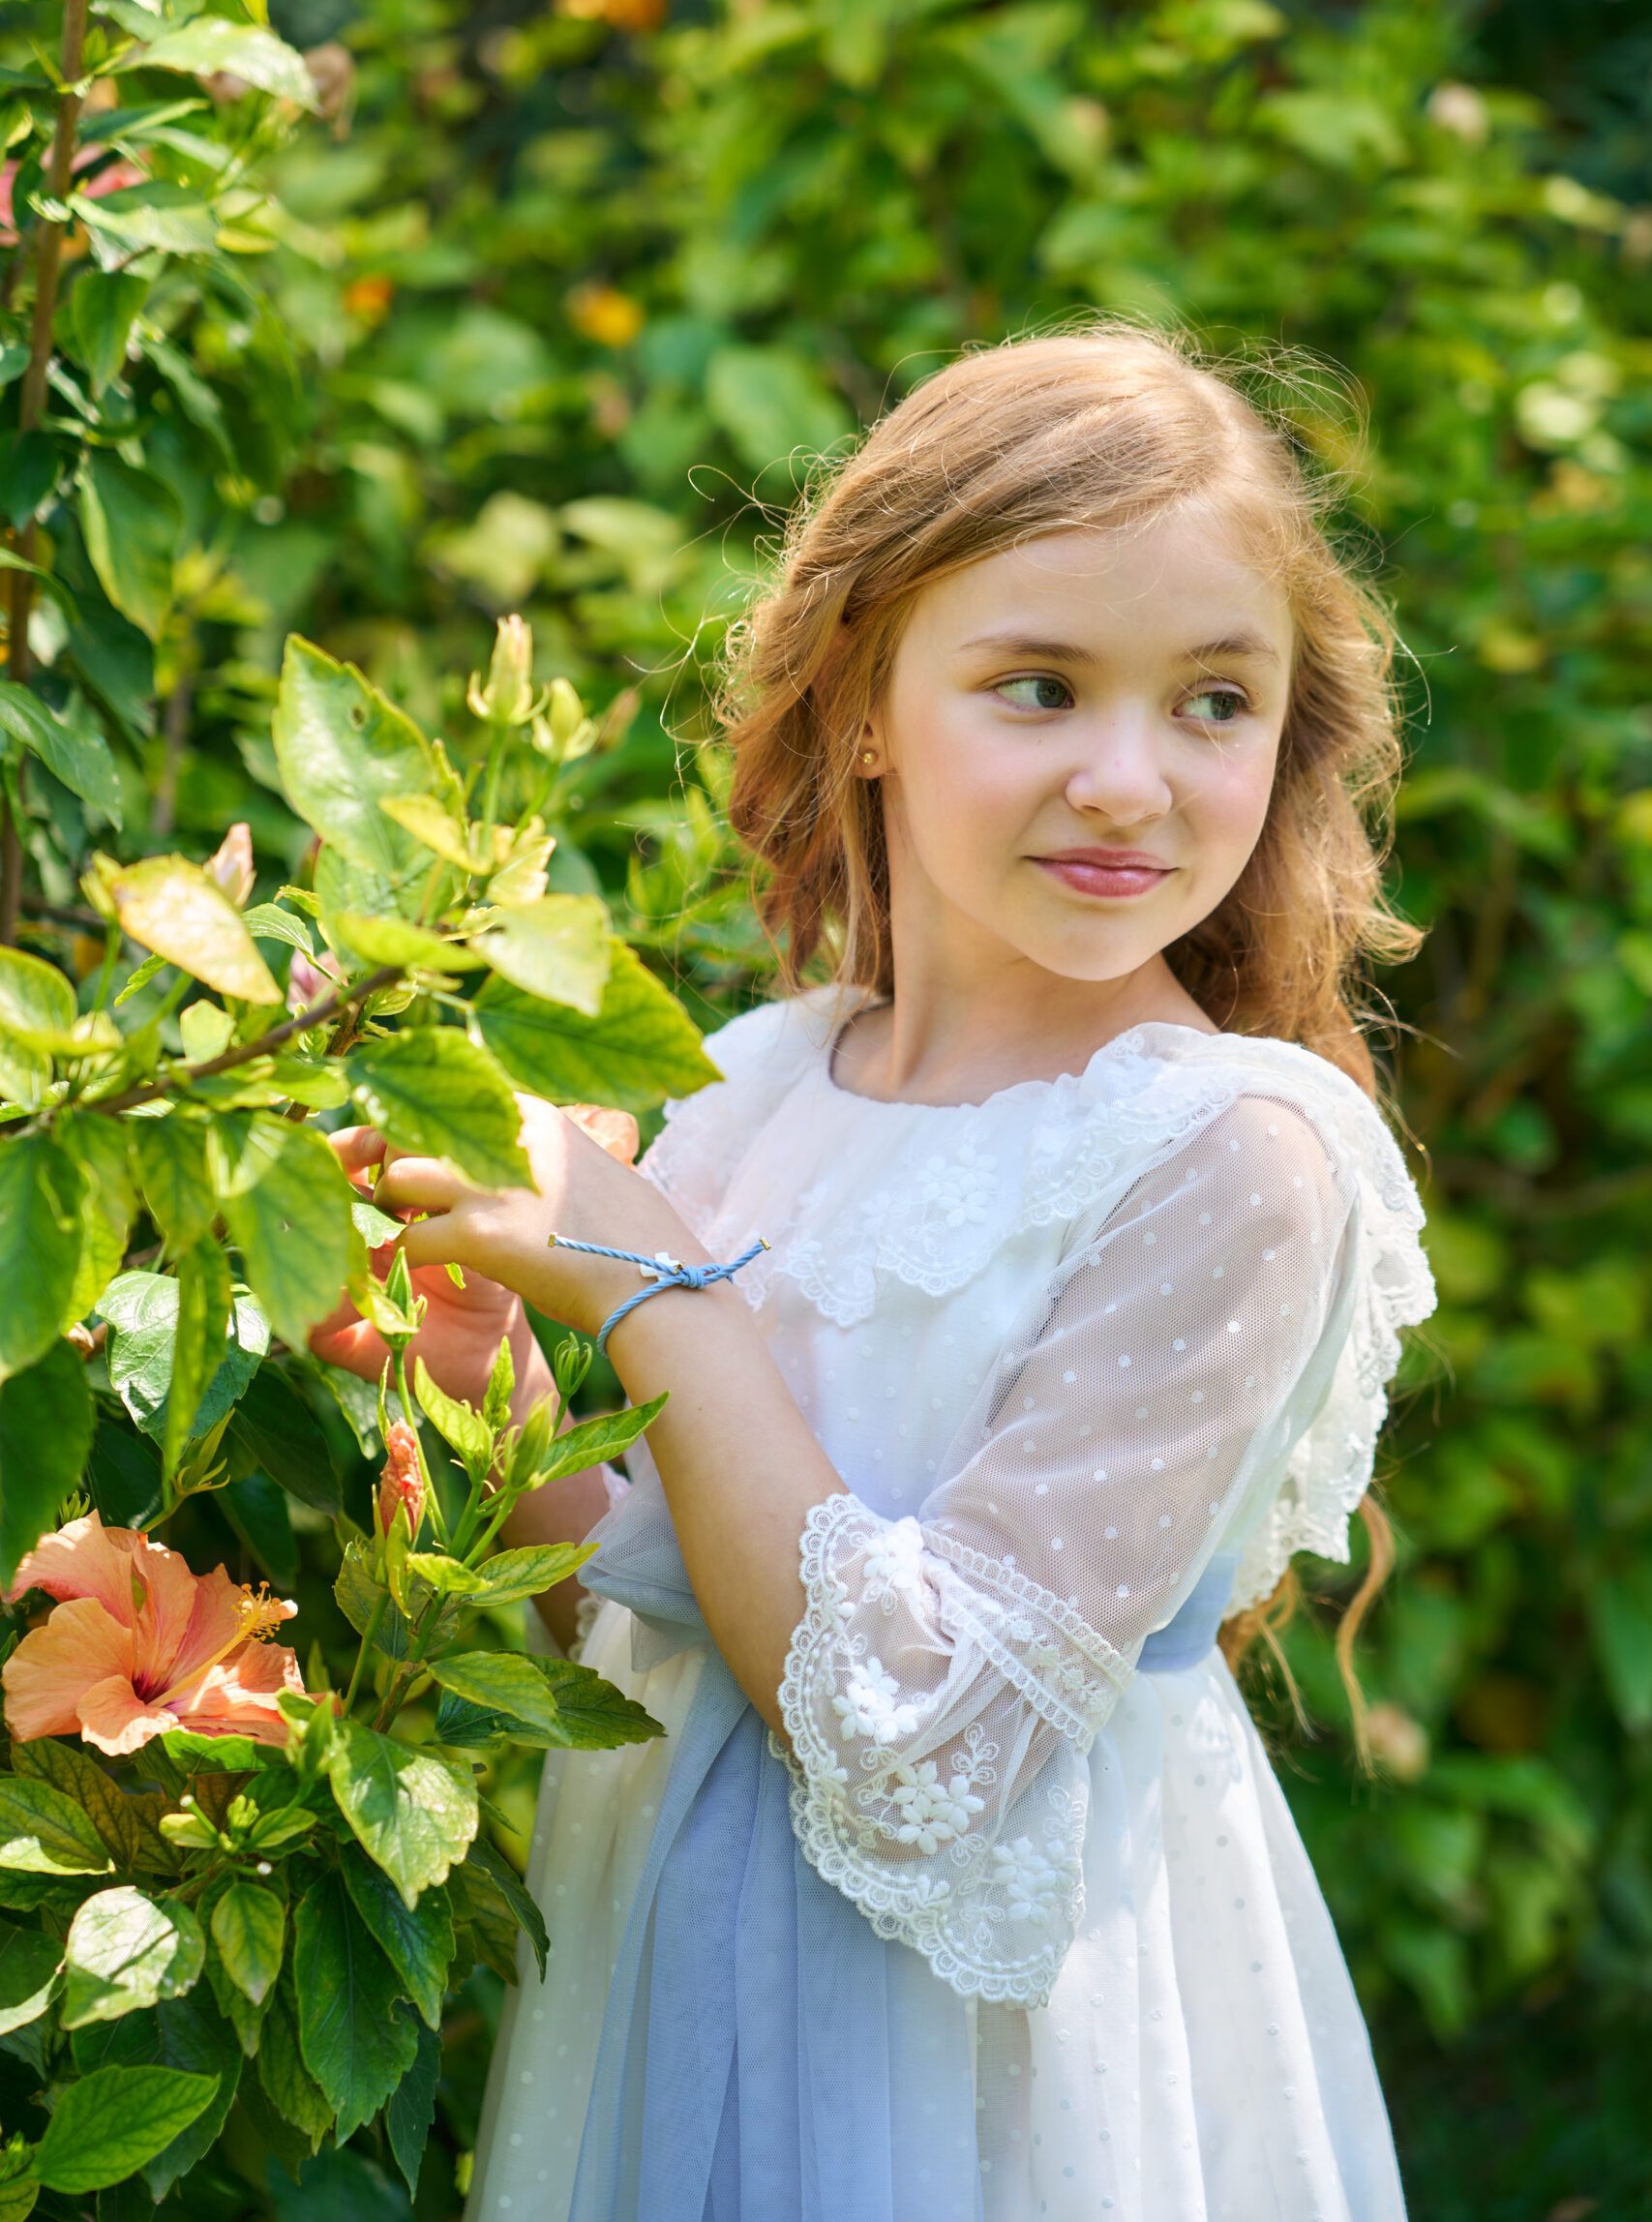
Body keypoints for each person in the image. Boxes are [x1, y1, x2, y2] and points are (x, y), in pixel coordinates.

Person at [315, 320, 1439, 2221]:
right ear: (863, 705)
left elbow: (917, 1747)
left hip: (995, 2070)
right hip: (674, 1956)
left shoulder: (1226, 1154)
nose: (1126, 776)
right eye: (1036, 684)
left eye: (1209, 701)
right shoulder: (757, 1079)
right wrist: (476, 1340)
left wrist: (651, 1281)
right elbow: (645, 1581)